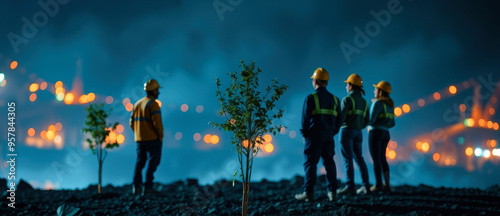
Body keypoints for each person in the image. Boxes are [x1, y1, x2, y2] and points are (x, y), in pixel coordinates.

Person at [295, 68, 342, 202]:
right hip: (329, 136)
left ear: (315, 81)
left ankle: (308, 193)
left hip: (314, 136)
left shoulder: (311, 98)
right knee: (329, 163)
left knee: (310, 164)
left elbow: (304, 120)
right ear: (326, 82)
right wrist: (332, 131)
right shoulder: (335, 99)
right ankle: (332, 192)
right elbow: (340, 119)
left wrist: (306, 135)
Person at [337, 74, 371, 196]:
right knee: (360, 158)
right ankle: (366, 186)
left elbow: (341, 119)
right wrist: (358, 127)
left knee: (348, 159)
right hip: (358, 133)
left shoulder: (347, 99)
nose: (346, 86)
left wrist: (333, 128)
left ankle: (350, 187)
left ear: (351, 86)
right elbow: (367, 120)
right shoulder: (365, 102)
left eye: (347, 84)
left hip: (346, 131)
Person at [130, 79, 164, 195]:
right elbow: (157, 124)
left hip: (140, 140)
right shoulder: (153, 105)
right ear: (153, 91)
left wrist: (139, 133)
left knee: (140, 162)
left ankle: (136, 187)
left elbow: (131, 122)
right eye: (157, 90)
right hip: (153, 139)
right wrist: (160, 136)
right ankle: (148, 187)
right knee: (153, 162)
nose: (158, 92)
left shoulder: (137, 104)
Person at [368, 81, 395, 193]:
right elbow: (392, 123)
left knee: (376, 159)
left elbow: (371, 120)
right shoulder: (389, 105)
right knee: (383, 159)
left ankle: (378, 185)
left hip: (375, 133)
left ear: (380, 91)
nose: (374, 91)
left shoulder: (377, 103)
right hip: (386, 133)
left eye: (376, 89)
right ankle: (387, 185)